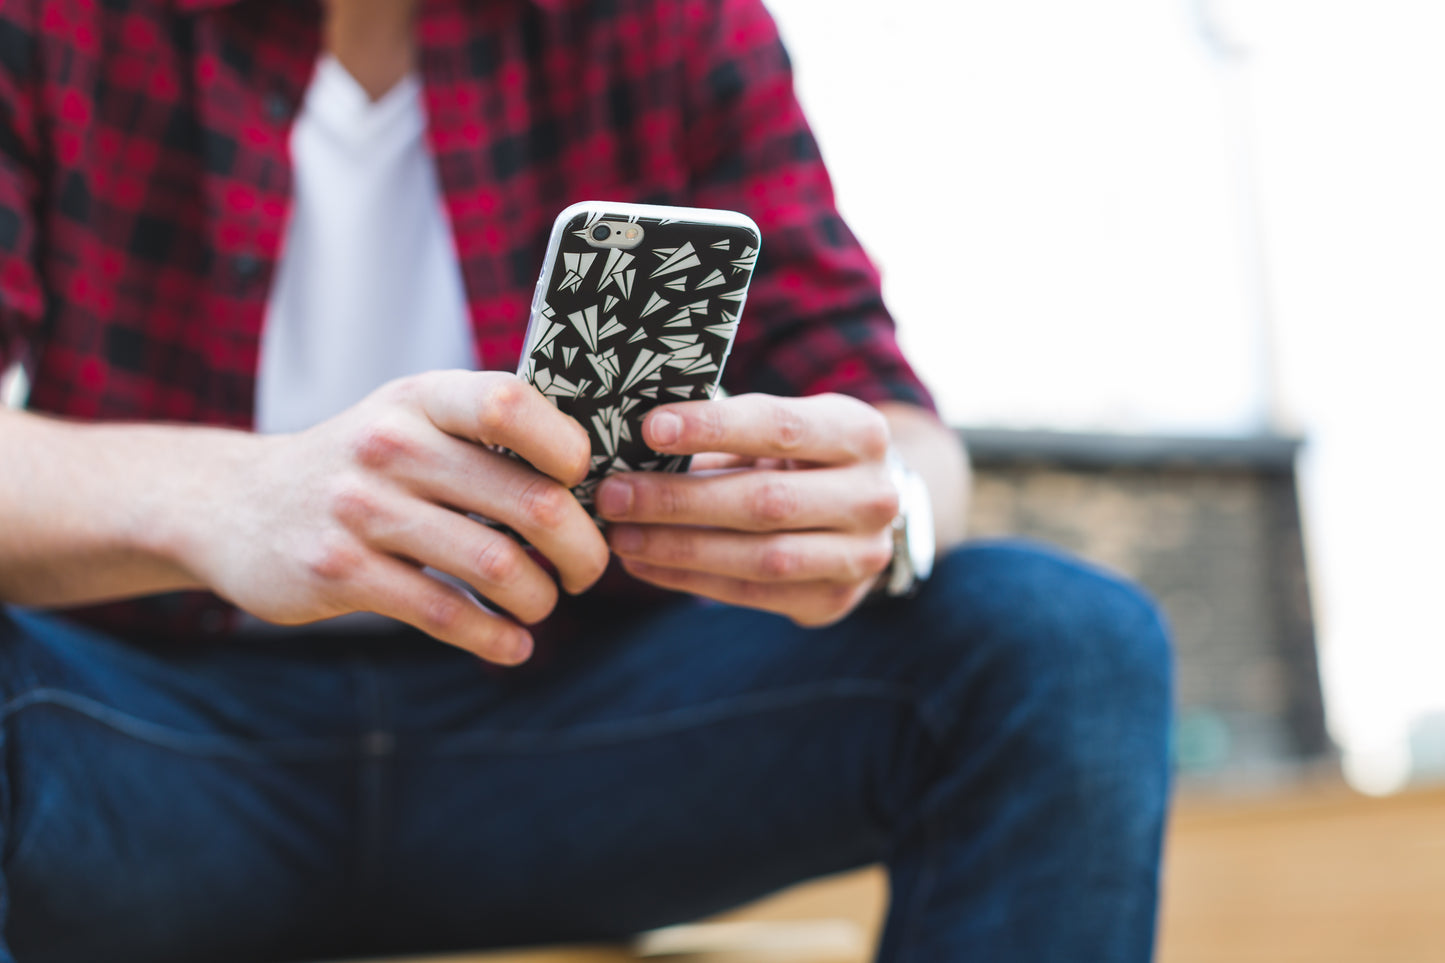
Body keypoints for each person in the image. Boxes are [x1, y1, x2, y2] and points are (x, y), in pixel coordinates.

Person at [0, 0, 1172, 960]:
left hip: (570, 742)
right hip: (140, 744)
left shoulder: (671, 23)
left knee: (1059, 642)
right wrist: (230, 497)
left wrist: (882, 511)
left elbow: (892, 423)